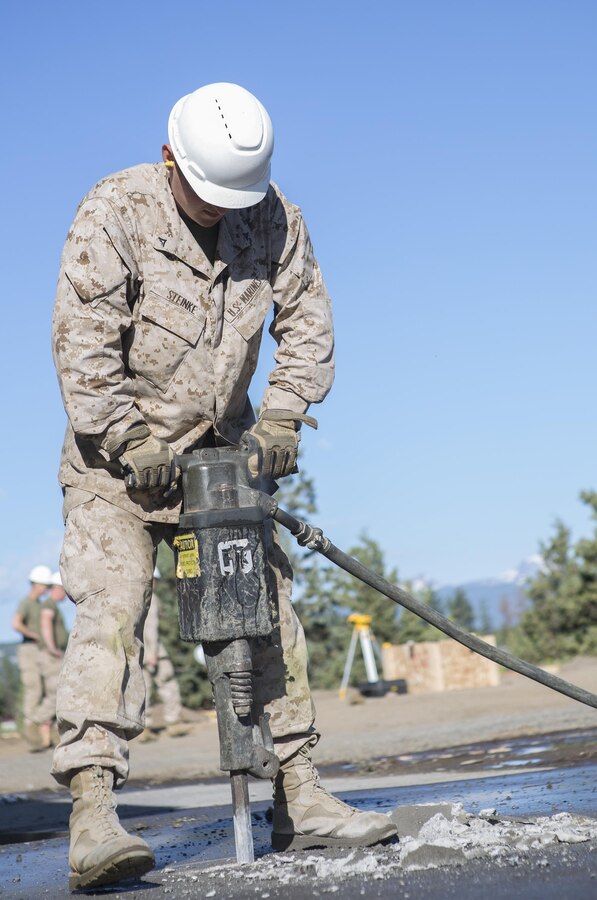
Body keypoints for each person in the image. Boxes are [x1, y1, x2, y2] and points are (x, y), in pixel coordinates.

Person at [52, 82, 397, 891]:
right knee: (114, 606)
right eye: (205, 195)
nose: (218, 212)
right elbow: (82, 346)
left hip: (221, 463)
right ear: (170, 158)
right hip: (117, 469)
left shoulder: (271, 216)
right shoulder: (113, 214)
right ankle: (94, 813)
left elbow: (307, 318)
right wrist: (128, 438)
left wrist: (280, 417)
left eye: (229, 199)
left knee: (268, 609)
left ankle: (299, 795)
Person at [140, 568, 190, 740]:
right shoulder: (151, 599)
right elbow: (151, 628)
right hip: (154, 653)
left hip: (139, 651)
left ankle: (144, 727)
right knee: (168, 684)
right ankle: (174, 723)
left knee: (143, 689)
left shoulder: (137, 598)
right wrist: (153, 653)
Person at [11, 565, 53, 747]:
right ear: (36, 584)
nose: (46, 589)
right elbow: (16, 623)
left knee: (42, 689)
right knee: (33, 688)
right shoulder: (27, 603)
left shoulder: (39, 604)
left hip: (38, 651)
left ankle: (40, 732)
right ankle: (30, 730)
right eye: (45, 585)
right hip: (29, 650)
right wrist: (35, 635)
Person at [34, 572, 70, 749]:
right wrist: (52, 648)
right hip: (50, 656)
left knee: (56, 693)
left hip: (53, 655)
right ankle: (36, 723)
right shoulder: (49, 605)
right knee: (54, 692)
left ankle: (47, 735)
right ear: (58, 589)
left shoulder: (52, 605)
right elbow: (45, 624)